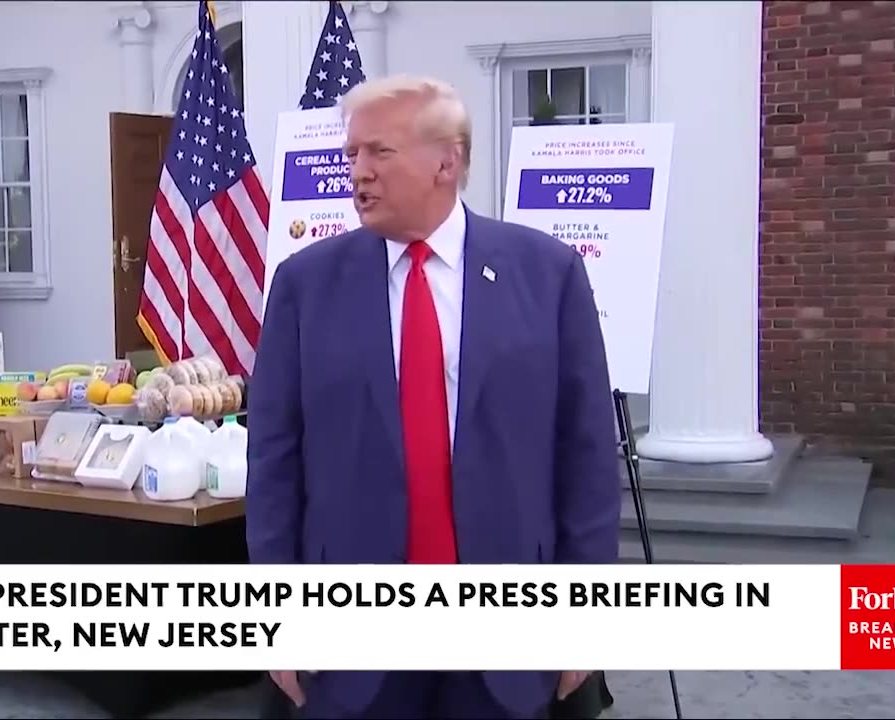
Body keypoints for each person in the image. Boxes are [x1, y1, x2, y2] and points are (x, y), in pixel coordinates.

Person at [245, 74, 622, 720]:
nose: (357, 172)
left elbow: (586, 456)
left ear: (447, 159)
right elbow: (274, 459)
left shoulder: (548, 274)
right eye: (351, 155)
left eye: (379, 153)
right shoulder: (304, 285)